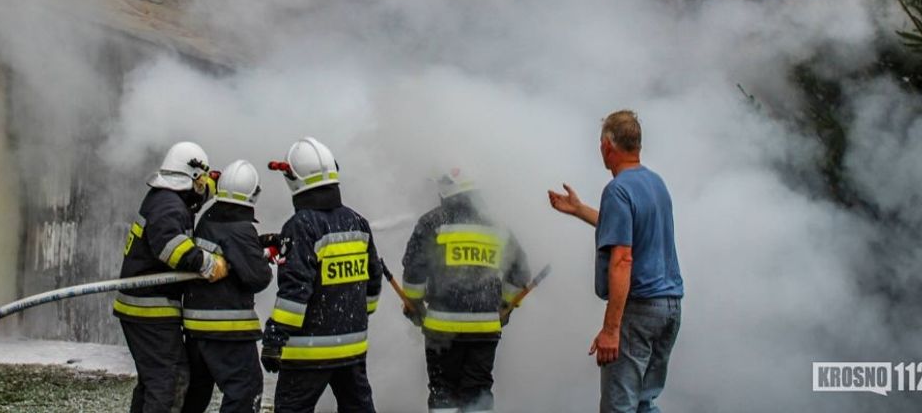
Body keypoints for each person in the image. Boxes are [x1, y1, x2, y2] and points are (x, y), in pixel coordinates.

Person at [547, 110, 683, 413]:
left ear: (608, 146)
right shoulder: (655, 183)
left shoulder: (618, 190)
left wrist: (611, 329)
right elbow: (630, 231)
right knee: (645, 402)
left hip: (641, 310)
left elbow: (622, 258)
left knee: (619, 407)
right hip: (670, 307)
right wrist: (580, 210)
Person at [261, 137, 383, 413]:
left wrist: (274, 338)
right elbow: (373, 282)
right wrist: (354, 313)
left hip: (308, 352)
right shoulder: (357, 222)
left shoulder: (301, 225)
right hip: (351, 348)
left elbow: (295, 292)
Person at [401, 169, 530, 413]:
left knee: (443, 392)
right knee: (478, 393)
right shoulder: (497, 225)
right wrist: (505, 304)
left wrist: (415, 306)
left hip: (442, 328)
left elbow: (414, 270)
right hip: (485, 328)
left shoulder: (432, 222)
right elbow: (520, 272)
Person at [114, 141, 230, 413]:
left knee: (153, 380)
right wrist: (210, 264)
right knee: (169, 379)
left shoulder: (165, 199)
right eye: (202, 181)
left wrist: (211, 185)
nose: (203, 189)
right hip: (149, 310)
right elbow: (173, 249)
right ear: (192, 177)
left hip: (142, 307)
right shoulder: (169, 206)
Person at [181, 160, 274, 413]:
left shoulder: (208, 218)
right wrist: (259, 257)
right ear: (254, 193)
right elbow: (258, 278)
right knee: (245, 390)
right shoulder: (240, 228)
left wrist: (259, 245)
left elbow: (229, 252)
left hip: (197, 327)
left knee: (197, 394)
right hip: (226, 328)